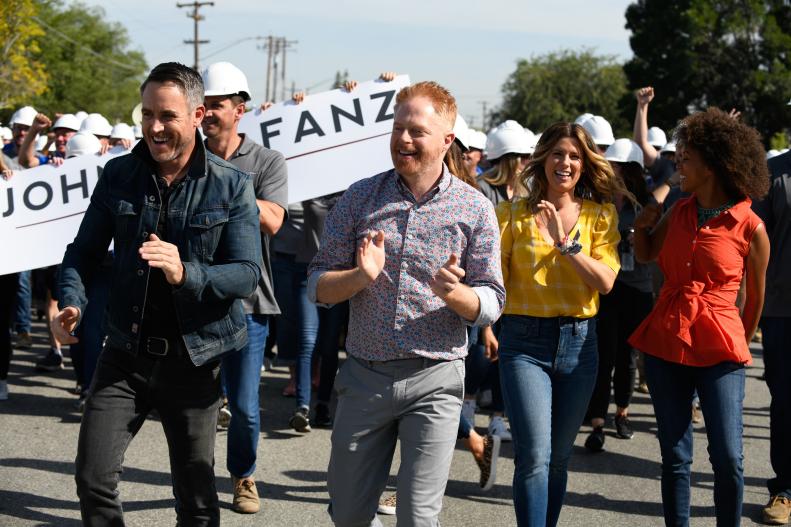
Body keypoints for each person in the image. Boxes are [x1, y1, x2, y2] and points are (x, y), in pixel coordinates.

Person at [52, 62, 262, 526]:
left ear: (196, 115)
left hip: (194, 359)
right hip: (124, 355)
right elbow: (81, 253)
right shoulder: (119, 175)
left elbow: (247, 275)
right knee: (92, 479)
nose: (154, 127)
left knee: (196, 499)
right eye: (147, 114)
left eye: (166, 116)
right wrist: (71, 300)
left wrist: (186, 272)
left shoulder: (232, 185)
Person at [308, 81, 505, 526]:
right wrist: (360, 277)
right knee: (349, 514)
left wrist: (457, 296)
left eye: (416, 130)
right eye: (398, 128)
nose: (403, 139)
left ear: (447, 140)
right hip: (365, 376)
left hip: (435, 379)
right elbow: (317, 285)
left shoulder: (475, 209)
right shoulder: (360, 197)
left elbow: (492, 301)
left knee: (418, 517)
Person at [630, 107, 770, 526]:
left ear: (711, 165)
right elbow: (646, 253)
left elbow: (757, 298)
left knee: (728, 456)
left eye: (685, 158)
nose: (677, 165)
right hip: (666, 340)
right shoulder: (679, 210)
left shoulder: (750, 226)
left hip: (721, 347)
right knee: (675, 455)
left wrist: (739, 340)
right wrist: (643, 225)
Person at [496, 121, 628, 526]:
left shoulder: (600, 216)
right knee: (534, 457)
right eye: (557, 154)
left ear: (585, 165)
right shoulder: (511, 214)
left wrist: (566, 244)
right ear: (543, 159)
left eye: (574, 156)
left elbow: (605, 281)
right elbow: (494, 282)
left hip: (580, 344)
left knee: (558, 459)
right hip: (523, 343)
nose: (565, 163)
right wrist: (484, 326)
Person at [200, 60, 288, 514]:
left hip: (249, 304)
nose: (208, 113)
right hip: (193, 298)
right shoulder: (183, 155)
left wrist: (230, 190)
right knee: (193, 402)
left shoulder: (266, 161)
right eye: (203, 106)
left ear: (239, 109)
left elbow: (273, 219)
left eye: (216, 105)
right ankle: (195, 481)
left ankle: (243, 476)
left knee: (247, 408)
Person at [584, 138, 653, 452]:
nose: (614, 170)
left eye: (621, 166)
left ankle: (622, 413)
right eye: (612, 164)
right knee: (604, 354)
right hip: (607, 285)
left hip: (637, 287)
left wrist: (636, 235)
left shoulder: (647, 203)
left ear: (634, 170)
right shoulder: (599, 197)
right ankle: (597, 421)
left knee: (627, 355)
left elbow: (654, 244)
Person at [757, 139, 791, 525]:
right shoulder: (773, 172)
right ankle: (785, 489)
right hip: (782, 310)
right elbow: (755, 244)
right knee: (785, 401)